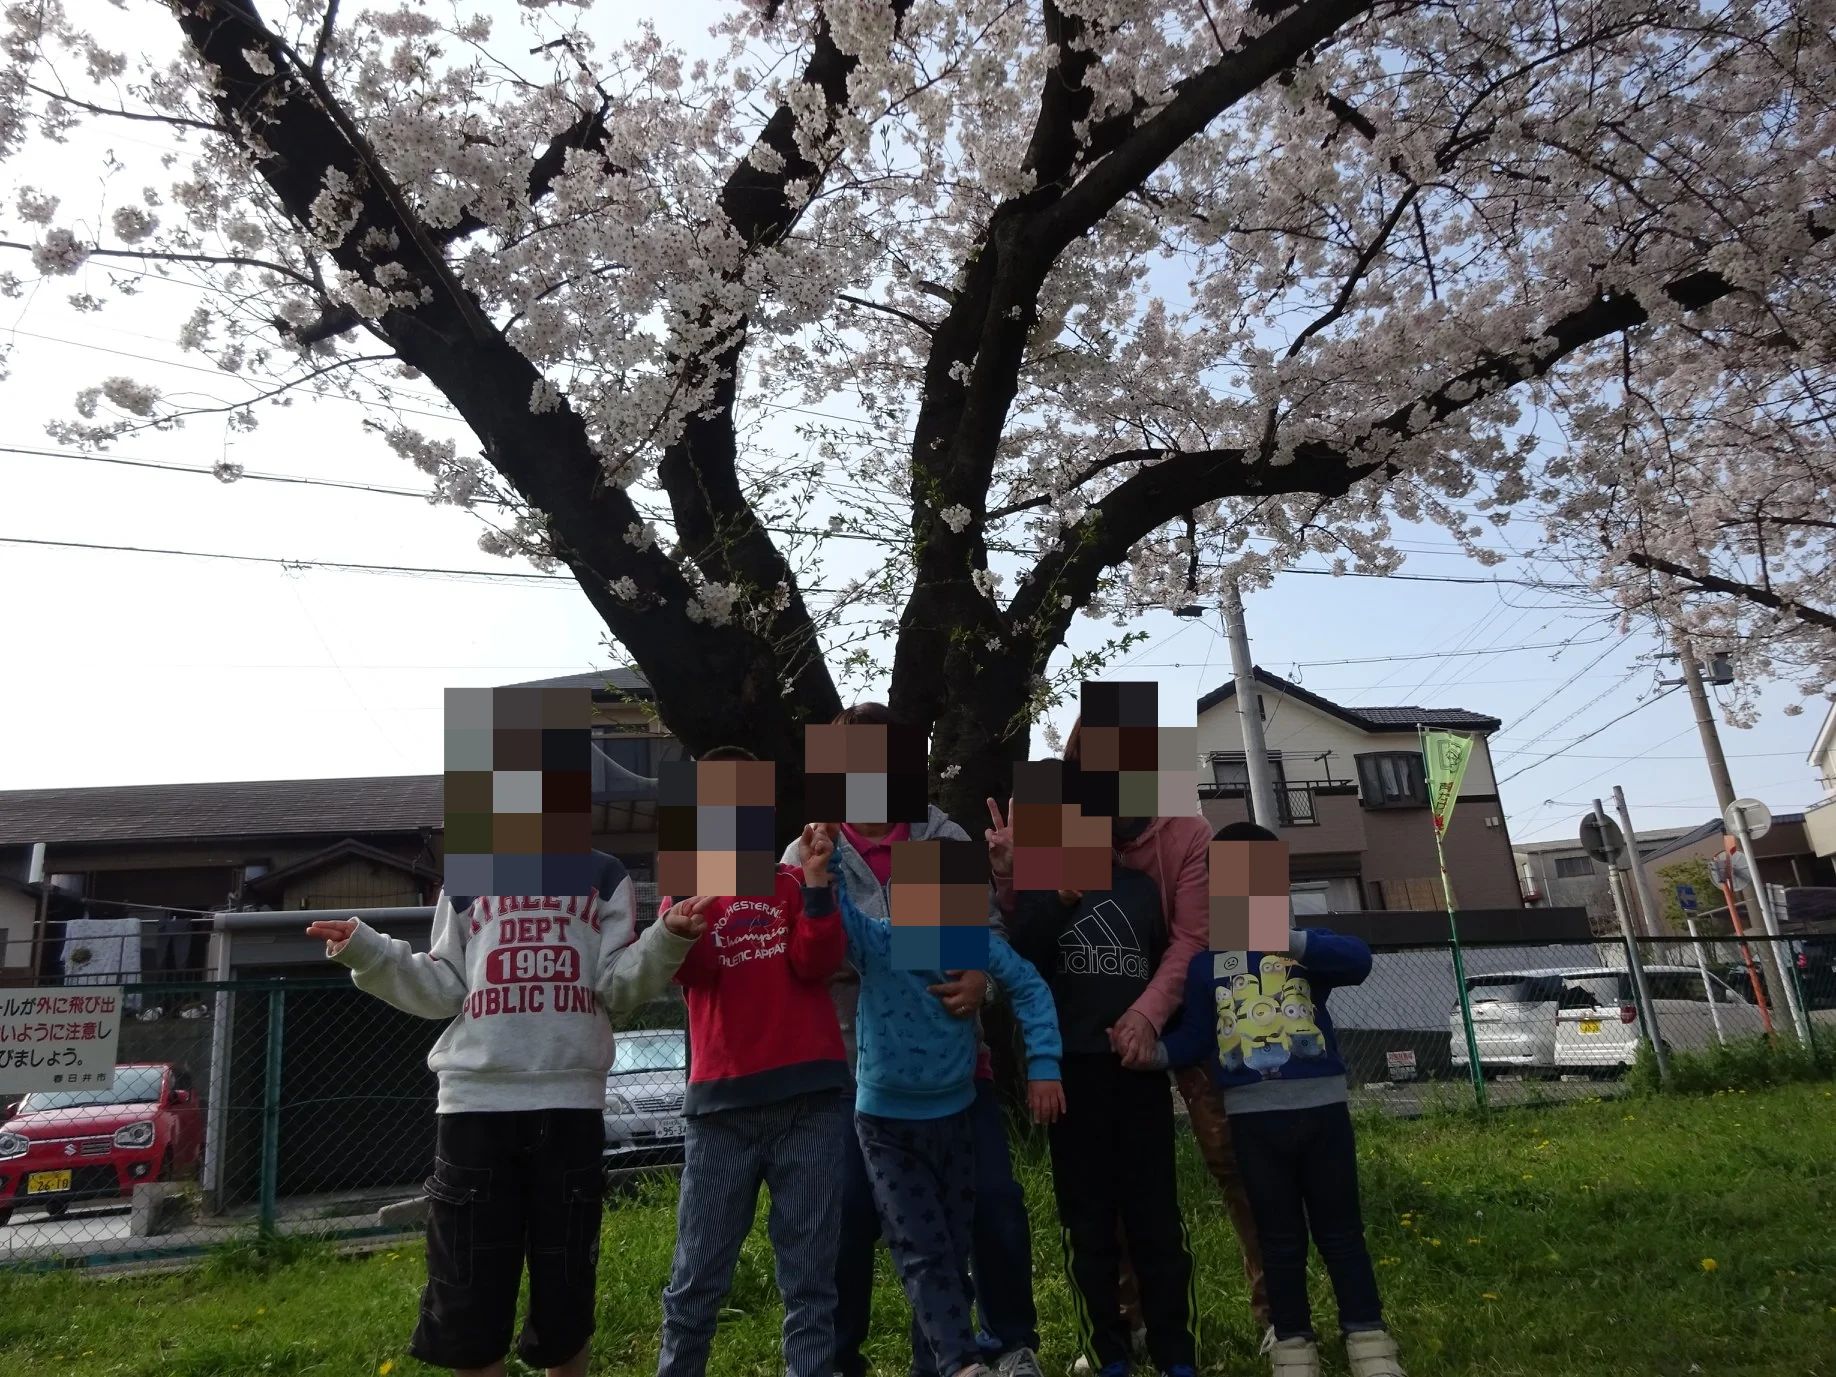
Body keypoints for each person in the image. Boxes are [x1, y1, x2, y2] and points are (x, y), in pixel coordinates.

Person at [307, 851, 699, 1377]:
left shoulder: (604, 875)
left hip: (570, 1105)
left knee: (566, 1287)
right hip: (475, 1109)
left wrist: (667, 936)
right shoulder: (470, 875)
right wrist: (368, 950)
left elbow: (615, 983)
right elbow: (445, 982)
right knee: (468, 1290)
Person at [990, 720, 1270, 1358]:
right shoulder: (1051, 823)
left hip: (1185, 1001)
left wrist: (1146, 1016)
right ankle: (1123, 1324)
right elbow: (1027, 940)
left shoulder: (1186, 831)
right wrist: (1011, 872)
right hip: (1087, 1041)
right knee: (1094, 1198)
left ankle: (1279, 1311)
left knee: (1230, 1159)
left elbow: (1194, 938)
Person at [783, 702, 1045, 1377]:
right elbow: (807, 955)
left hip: (958, 1068)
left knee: (992, 1205)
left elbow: (981, 938)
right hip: (852, 1072)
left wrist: (978, 977)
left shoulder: (939, 835)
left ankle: (1003, 1344)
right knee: (846, 1214)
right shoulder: (811, 848)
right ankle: (841, 1356)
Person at [1150, 821, 1404, 1377]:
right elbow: (1196, 1038)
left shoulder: (1306, 954)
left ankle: (1368, 1337)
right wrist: (1151, 1052)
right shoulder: (1204, 967)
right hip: (1251, 1122)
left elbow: (1358, 959)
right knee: (1278, 1236)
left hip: (1324, 1114)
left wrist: (1287, 938)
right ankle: (1292, 1342)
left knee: (1341, 1231)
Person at [654, 746, 851, 1377]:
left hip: (811, 1101)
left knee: (811, 1280)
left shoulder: (794, 883)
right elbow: (693, 969)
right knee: (696, 1278)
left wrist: (818, 883)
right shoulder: (684, 889)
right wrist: (680, 923)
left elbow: (817, 963)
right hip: (721, 1109)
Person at [831, 863, 1066, 1377]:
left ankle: (934, 1365)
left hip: (956, 1112)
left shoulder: (970, 945)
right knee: (922, 1247)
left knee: (950, 1249)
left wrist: (1045, 1066)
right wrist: (824, 867)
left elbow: (1030, 988)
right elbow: (841, 917)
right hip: (886, 1125)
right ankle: (961, 1363)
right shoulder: (883, 942)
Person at [1008, 825, 1198, 1377]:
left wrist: (1156, 1037)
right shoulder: (1042, 886)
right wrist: (1061, 898)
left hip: (1136, 1076)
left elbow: (1171, 968)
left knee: (1156, 1220)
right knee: (1086, 1225)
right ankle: (1108, 1352)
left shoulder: (1141, 888)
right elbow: (1019, 963)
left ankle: (1176, 1355)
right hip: (1070, 1077)